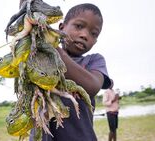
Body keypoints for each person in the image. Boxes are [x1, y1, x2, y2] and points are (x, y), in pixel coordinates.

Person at [38, 3, 112, 141]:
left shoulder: (94, 60)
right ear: (61, 28)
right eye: (79, 26)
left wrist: (54, 49)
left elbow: (93, 86)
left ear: (95, 41)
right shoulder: (41, 56)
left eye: (93, 33)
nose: (85, 35)